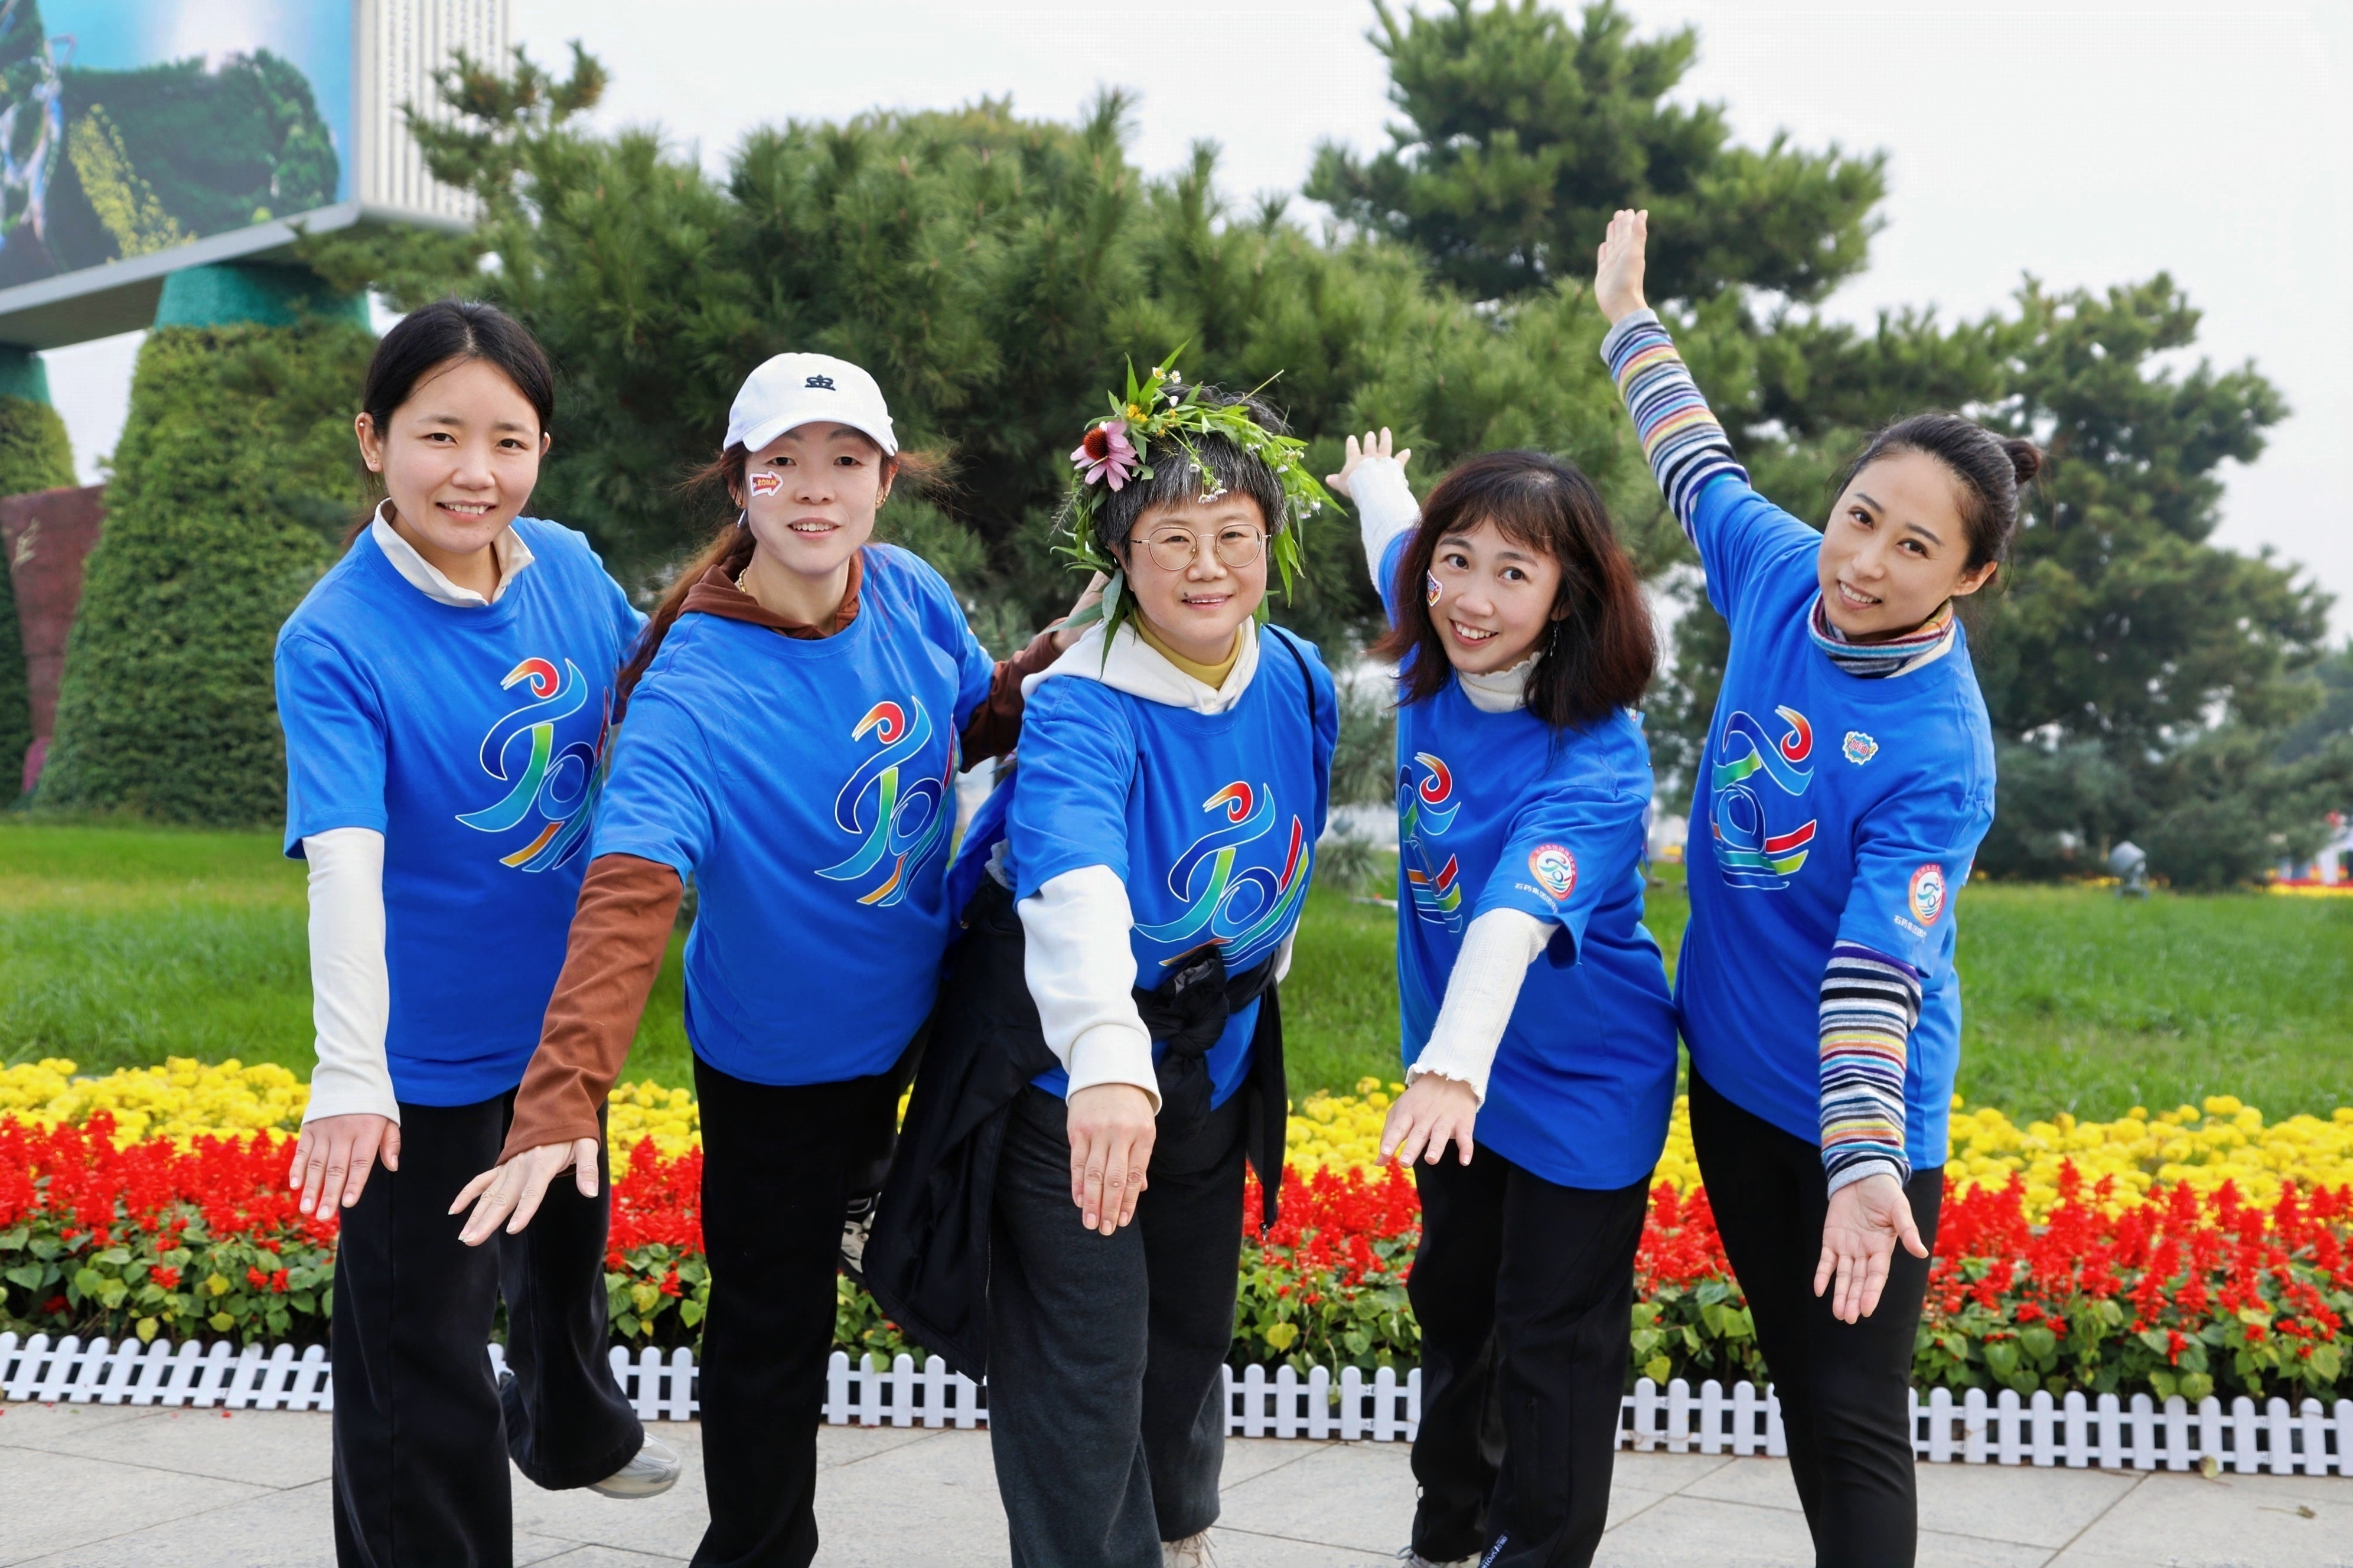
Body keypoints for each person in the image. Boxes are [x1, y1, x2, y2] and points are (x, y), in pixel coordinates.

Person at [449, 351, 1091, 1568]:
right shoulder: (695, 684)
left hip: (925, 1010)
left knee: (996, 1257)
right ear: (739, 481)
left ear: (885, 480)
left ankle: (872, 1204)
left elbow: (967, 720)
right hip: (777, 1061)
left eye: (845, 460)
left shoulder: (906, 590)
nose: (815, 487)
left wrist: (1064, 659)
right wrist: (562, 1092)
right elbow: (629, 895)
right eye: (782, 462)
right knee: (770, 1328)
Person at [1595, 208, 2029, 1564]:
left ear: (1971, 576)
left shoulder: (1940, 753)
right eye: (1861, 516)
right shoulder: (1787, 574)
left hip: (1865, 1119)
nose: (1864, 562)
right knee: (1800, 1377)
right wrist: (1626, 316)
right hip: (1732, 1079)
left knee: (1852, 1413)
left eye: (1915, 548)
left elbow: (1875, 970)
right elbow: (1694, 460)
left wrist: (1861, 1162)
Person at [879, 364, 1337, 1568]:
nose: (1205, 566)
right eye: (1171, 537)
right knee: (1084, 1362)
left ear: (1272, 542)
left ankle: (1179, 1530)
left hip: (1213, 1059)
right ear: (1121, 555)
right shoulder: (1081, 702)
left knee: (1186, 1332)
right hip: (1069, 1078)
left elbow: (1289, 842)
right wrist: (1106, 1061)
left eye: (1233, 536)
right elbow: (1072, 872)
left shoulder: (1297, 676)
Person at [276, 298, 671, 1568]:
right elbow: (344, 861)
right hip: (426, 1054)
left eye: (508, 440)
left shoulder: (566, 567)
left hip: (559, 1020)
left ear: (542, 449)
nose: (475, 472)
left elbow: (669, 698)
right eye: (439, 435)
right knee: (421, 1353)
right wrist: (353, 1072)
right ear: (374, 441)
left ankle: (570, 1428)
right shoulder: (335, 638)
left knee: (563, 1249)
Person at [1331, 435, 1677, 1568]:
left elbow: (1511, 918)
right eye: (1458, 561)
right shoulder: (1437, 632)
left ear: (1567, 598)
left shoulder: (1596, 764)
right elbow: (1397, 541)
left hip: (1581, 1078)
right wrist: (1375, 481)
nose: (1472, 598)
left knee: (1552, 1342)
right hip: (1458, 1079)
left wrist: (1450, 1065)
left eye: (1513, 574)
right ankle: (1449, 1536)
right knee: (1456, 1302)